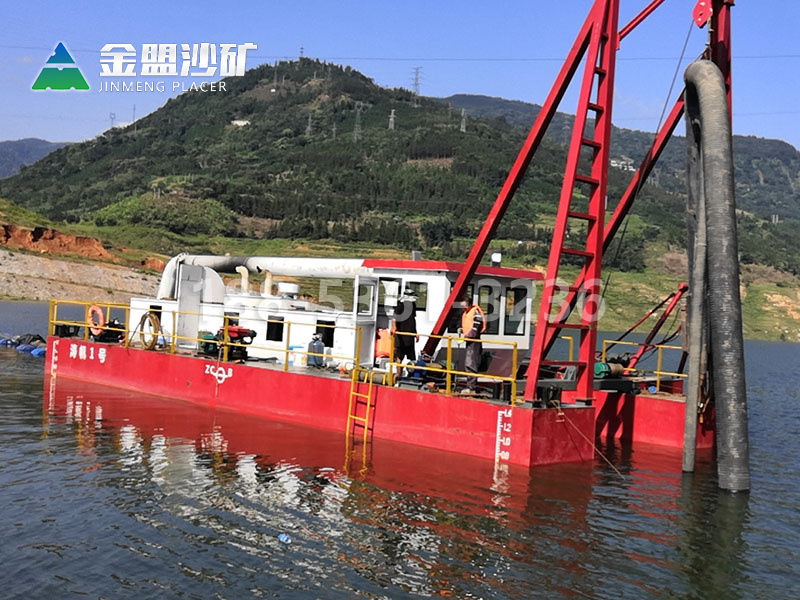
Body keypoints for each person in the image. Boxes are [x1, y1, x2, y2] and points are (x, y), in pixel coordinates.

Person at [460, 299, 486, 393]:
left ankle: (471, 387)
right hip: (469, 340)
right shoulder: (467, 312)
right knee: (469, 363)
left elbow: (476, 326)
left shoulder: (475, 312)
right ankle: (470, 386)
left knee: (471, 364)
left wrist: (469, 335)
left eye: (464, 306)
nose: (463, 308)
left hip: (474, 341)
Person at [393, 286, 418, 376]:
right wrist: (394, 327)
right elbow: (394, 318)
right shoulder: (400, 306)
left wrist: (415, 333)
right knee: (400, 356)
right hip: (401, 336)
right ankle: (398, 375)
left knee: (412, 357)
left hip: (410, 335)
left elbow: (413, 320)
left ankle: (411, 375)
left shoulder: (413, 306)